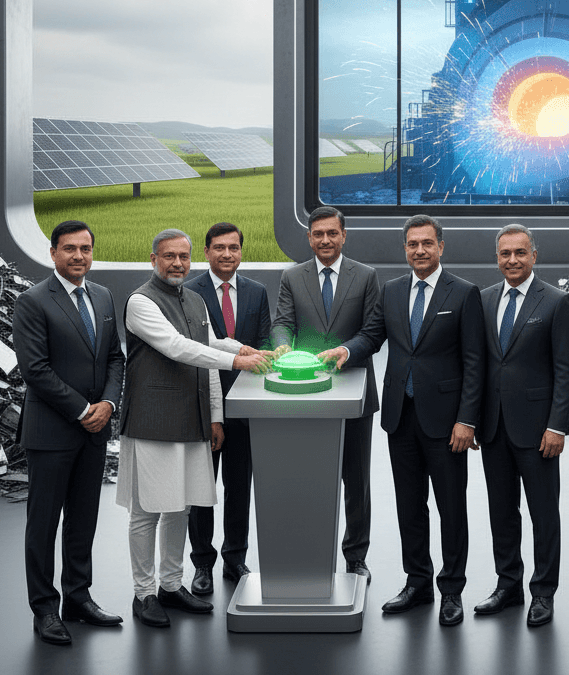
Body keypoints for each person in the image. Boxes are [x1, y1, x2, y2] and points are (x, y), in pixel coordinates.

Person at [320, 214, 483, 627]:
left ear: (441, 247)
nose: (420, 251)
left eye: (427, 243)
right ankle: (418, 583)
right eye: (412, 244)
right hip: (400, 417)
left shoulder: (463, 294)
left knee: (451, 508)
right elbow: (372, 336)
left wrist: (468, 419)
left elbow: (474, 362)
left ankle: (451, 590)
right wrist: (347, 351)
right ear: (405, 248)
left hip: (447, 424)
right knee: (409, 507)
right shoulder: (392, 291)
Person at [116, 228, 269, 629]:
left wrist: (245, 350)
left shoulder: (195, 299)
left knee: (181, 507)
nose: (178, 264)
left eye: (183, 257)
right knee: (147, 510)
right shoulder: (140, 302)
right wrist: (237, 362)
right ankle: (144, 593)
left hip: (191, 418)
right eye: (169, 256)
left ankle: (170, 584)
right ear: (154, 259)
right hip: (152, 421)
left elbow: (211, 342)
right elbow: (177, 346)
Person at [13, 220, 125, 646]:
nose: (79, 256)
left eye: (85, 249)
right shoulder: (33, 301)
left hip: (94, 431)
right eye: (69, 249)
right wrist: (83, 410)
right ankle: (45, 609)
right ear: (53, 253)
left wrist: (109, 404)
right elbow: (34, 369)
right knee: (42, 525)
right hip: (52, 432)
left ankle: (78, 598)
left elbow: (115, 358)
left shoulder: (102, 296)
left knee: (83, 521)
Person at [474, 223, 569, 627]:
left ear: (534, 255)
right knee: (502, 511)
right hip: (494, 428)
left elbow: (566, 370)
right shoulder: (482, 301)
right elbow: (480, 364)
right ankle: (508, 586)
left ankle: (543, 592)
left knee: (543, 513)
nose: (512, 260)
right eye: (505, 254)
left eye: (520, 253)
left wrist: (558, 426)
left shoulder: (555, 302)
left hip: (538, 431)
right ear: (497, 257)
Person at [271, 206, 380, 584]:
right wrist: (283, 346)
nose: (325, 240)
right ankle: (308, 551)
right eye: (318, 234)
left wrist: (346, 351)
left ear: (344, 235)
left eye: (332, 233)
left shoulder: (366, 276)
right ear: (309, 237)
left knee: (357, 479)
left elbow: (373, 331)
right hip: (306, 389)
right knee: (308, 477)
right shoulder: (292, 277)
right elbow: (283, 322)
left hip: (354, 389)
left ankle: (356, 556)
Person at [184, 222, 272, 595]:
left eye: (233, 248)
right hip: (202, 406)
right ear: (206, 252)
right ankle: (202, 563)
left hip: (247, 408)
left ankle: (235, 558)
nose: (226, 254)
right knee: (201, 488)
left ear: (241, 251)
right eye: (219, 248)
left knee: (239, 486)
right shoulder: (188, 294)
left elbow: (265, 344)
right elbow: (190, 354)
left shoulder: (257, 292)